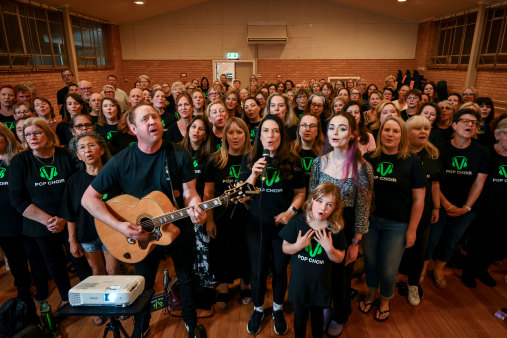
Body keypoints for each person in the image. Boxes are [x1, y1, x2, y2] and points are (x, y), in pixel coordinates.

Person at [82, 103, 207, 337]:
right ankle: (141, 326)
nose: (152, 121)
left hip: (176, 226)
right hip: (140, 235)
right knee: (143, 284)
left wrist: (195, 207)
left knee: (187, 278)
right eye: (145, 119)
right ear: (133, 128)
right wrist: (120, 226)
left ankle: (191, 323)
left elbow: (190, 193)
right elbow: (89, 199)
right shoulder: (121, 160)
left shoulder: (179, 154)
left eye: (155, 116)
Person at [240, 115, 306, 335]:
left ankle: (277, 308)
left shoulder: (293, 160)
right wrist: (253, 175)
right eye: (266, 131)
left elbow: (300, 193)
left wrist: (291, 212)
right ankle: (258, 309)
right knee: (257, 272)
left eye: (275, 131)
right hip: (257, 225)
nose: (270, 135)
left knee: (279, 269)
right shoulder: (250, 158)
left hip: (283, 226)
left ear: (281, 135)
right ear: (259, 135)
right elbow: (242, 197)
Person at [310, 111, 374, 335]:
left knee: (341, 277)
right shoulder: (319, 162)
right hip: (321, 224)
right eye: (332, 128)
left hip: (345, 227)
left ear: (353, 134)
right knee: (322, 273)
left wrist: (356, 241)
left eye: (342, 128)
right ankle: (326, 307)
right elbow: (312, 197)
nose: (335, 133)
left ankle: (340, 314)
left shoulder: (363, 167)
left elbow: (363, 207)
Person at [361, 116, 426, 321]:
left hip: (397, 225)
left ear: (402, 135)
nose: (390, 134)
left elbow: (418, 200)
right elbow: (362, 192)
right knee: (370, 262)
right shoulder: (370, 157)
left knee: (389, 269)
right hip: (370, 222)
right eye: (386, 130)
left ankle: (385, 298)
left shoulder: (412, 162)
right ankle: (372, 293)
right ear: (380, 134)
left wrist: (412, 230)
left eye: (395, 131)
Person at [9, 117, 78, 310]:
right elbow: (17, 199)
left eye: (37, 132)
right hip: (40, 224)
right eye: (27, 134)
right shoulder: (20, 162)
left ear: (47, 133)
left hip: (71, 219)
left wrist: (64, 218)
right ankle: (66, 297)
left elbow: (76, 189)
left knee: (78, 259)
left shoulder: (66, 155)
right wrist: (49, 221)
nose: (32, 137)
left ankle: (87, 297)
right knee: (54, 263)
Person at [424, 109, 489, 290]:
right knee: (431, 239)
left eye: (474, 123)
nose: (470, 125)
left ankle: (438, 270)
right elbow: (434, 181)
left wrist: (466, 208)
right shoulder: (440, 149)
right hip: (439, 204)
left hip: (466, 209)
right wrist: (445, 204)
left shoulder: (482, 152)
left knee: (451, 241)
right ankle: (421, 271)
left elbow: (479, 182)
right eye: (465, 121)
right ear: (454, 125)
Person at [62, 132, 120, 326]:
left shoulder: (114, 175)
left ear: (102, 150)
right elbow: (70, 213)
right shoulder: (74, 181)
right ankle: (102, 307)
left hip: (112, 232)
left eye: (92, 145)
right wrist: (72, 240)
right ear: (77, 155)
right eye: (82, 148)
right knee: (97, 271)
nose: (87, 150)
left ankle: (118, 304)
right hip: (86, 234)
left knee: (113, 269)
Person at [280, 183, 346, 338]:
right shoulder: (298, 222)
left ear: (335, 207)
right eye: (320, 201)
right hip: (300, 285)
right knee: (300, 319)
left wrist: (329, 248)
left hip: (320, 287)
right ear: (311, 201)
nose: (323, 208)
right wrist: (297, 245)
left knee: (318, 319)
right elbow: (285, 248)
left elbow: (340, 258)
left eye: (329, 204)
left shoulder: (335, 228)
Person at [204, 118, 252, 309]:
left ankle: (244, 285)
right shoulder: (215, 160)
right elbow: (207, 193)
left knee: (245, 252)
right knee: (221, 253)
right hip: (222, 217)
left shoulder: (252, 159)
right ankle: (223, 289)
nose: (235, 136)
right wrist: (209, 220)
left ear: (246, 135)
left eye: (239, 132)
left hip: (246, 217)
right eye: (230, 133)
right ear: (224, 136)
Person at [398, 116, 442, 306]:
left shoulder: (433, 155)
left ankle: (413, 284)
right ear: (407, 133)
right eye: (418, 129)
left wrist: (437, 206)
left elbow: (435, 184)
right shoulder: (399, 154)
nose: (423, 132)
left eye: (426, 128)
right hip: (399, 210)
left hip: (423, 211)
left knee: (419, 251)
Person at [462, 115, 507, 288]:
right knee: (477, 242)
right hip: (483, 208)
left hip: (504, 210)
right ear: (498, 135)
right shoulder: (485, 153)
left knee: (496, 244)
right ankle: (469, 272)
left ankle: (483, 269)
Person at [0, 123, 38, 321]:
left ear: (6, 137)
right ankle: (24, 292)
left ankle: (40, 288)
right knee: (15, 261)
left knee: (34, 256)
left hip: (24, 218)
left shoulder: (19, 158)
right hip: (3, 223)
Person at [291, 113, 324, 190]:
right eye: (304, 125)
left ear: (318, 131)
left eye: (312, 126)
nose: (307, 129)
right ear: (299, 129)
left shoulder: (325, 153)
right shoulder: (289, 150)